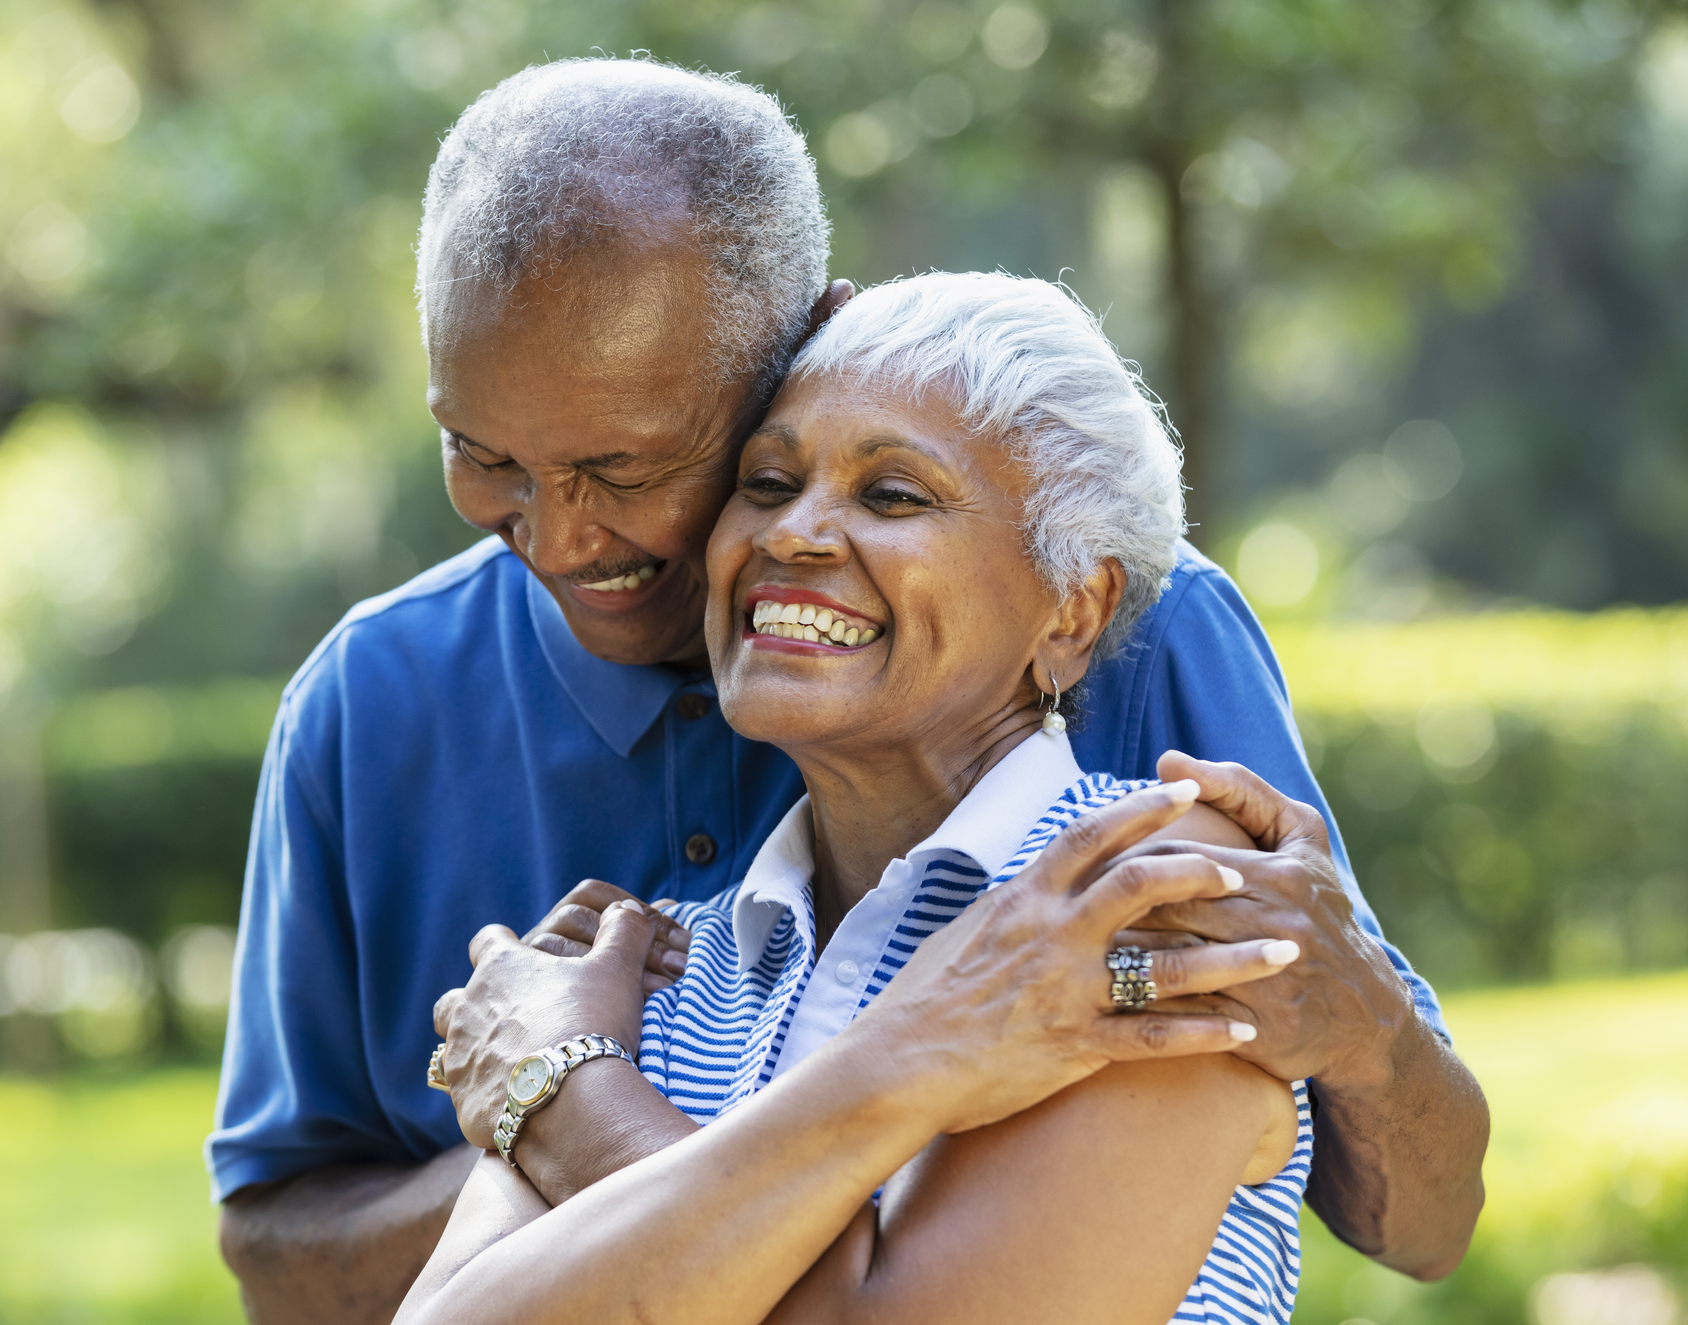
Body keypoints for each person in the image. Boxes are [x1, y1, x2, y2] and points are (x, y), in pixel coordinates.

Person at [209, 58, 1488, 1325]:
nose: (556, 537)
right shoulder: (626, 948)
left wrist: (561, 1097)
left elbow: (1418, 1214)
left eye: (626, 464)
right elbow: (325, 1272)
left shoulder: (1133, 856)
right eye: (483, 456)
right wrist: (652, 1092)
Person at [402, 271, 1313, 1325]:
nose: (793, 535)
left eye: (892, 496)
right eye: (768, 482)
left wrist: (569, 1091)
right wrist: (917, 1063)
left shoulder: (1152, 891)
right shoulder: (647, 962)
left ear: (1071, 607)